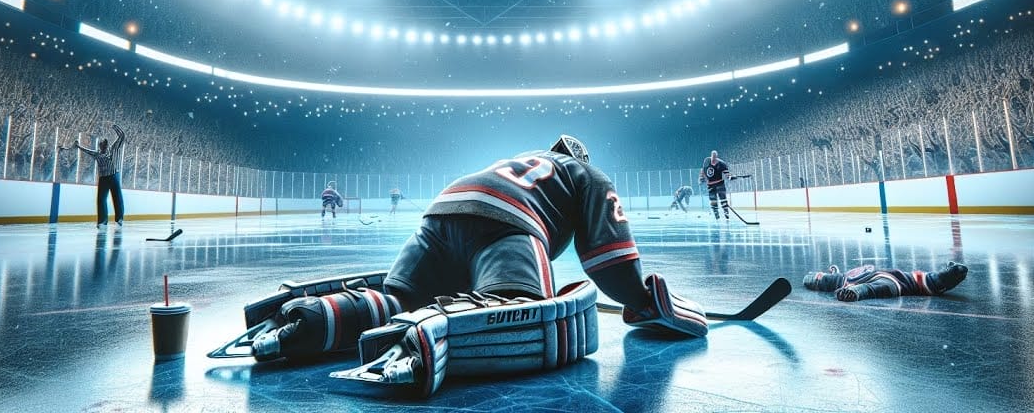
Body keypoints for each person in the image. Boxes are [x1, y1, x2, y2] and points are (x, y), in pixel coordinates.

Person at [214, 134, 708, 398]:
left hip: (440, 213)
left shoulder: (519, 158)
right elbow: (611, 262)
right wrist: (644, 301)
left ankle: (303, 322)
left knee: (398, 295)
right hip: (508, 222)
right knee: (516, 308)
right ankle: (424, 342)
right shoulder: (586, 173)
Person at [62, 123, 126, 227]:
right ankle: (102, 221)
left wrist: (114, 126)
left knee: (117, 197)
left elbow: (122, 136)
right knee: (101, 199)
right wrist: (78, 146)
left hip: (114, 175)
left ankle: (119, 219)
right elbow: (87, 151)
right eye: (101, 145)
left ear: (107, 145)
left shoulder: (115, 149)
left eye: (103, 144)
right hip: (103, 178)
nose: (102, 146)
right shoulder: (98, 154)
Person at [803, 262, 969, 302]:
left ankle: (819, 279)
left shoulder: (892, 285)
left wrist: (854, 292)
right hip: (901, 279)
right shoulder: (914, 279)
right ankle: (819, 278)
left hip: (891, 281)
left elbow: (871, 289)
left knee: (874, 287)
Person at [699, 150, 733, 221]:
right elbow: (703, 171)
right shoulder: (706, 161)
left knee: (723, 200)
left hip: (720, 184)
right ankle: (717, 217)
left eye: (715, 157)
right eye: (712, 157)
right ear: (711, 156)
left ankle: (727, 215)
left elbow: (727, 174)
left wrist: (730, 177)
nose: (713, 159)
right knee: (713, 202)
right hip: (710, 186)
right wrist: (701, 178)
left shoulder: (722, 164)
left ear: (717, 157)